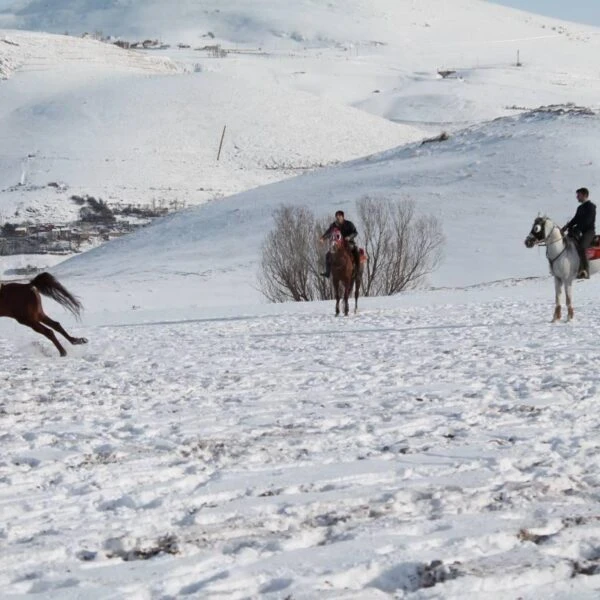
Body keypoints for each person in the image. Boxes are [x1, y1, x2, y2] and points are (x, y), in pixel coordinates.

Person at [561, 187, 596, 279]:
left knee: (582, 247)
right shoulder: (580, 208)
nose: (577, 197)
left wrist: (578, 229)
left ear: (584, 195)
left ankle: (585, 271)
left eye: (578, 195)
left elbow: (588, 221)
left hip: (589, 232)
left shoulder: (591, 206)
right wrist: (565, 228)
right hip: (579, 231)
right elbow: (575, 219)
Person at [320, 210, 360, 278]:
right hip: (337, 244)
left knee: (356, 250)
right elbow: (328, 232)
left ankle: (357, 270)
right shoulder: (333, 225)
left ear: (342, 216)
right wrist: (323, 238)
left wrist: (349, 237)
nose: (338, 217)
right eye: (336, 216)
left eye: (339, 216)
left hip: (348, 242)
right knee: (328, 255)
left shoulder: (349, 224)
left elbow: (355, 232)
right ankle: (327, 272)